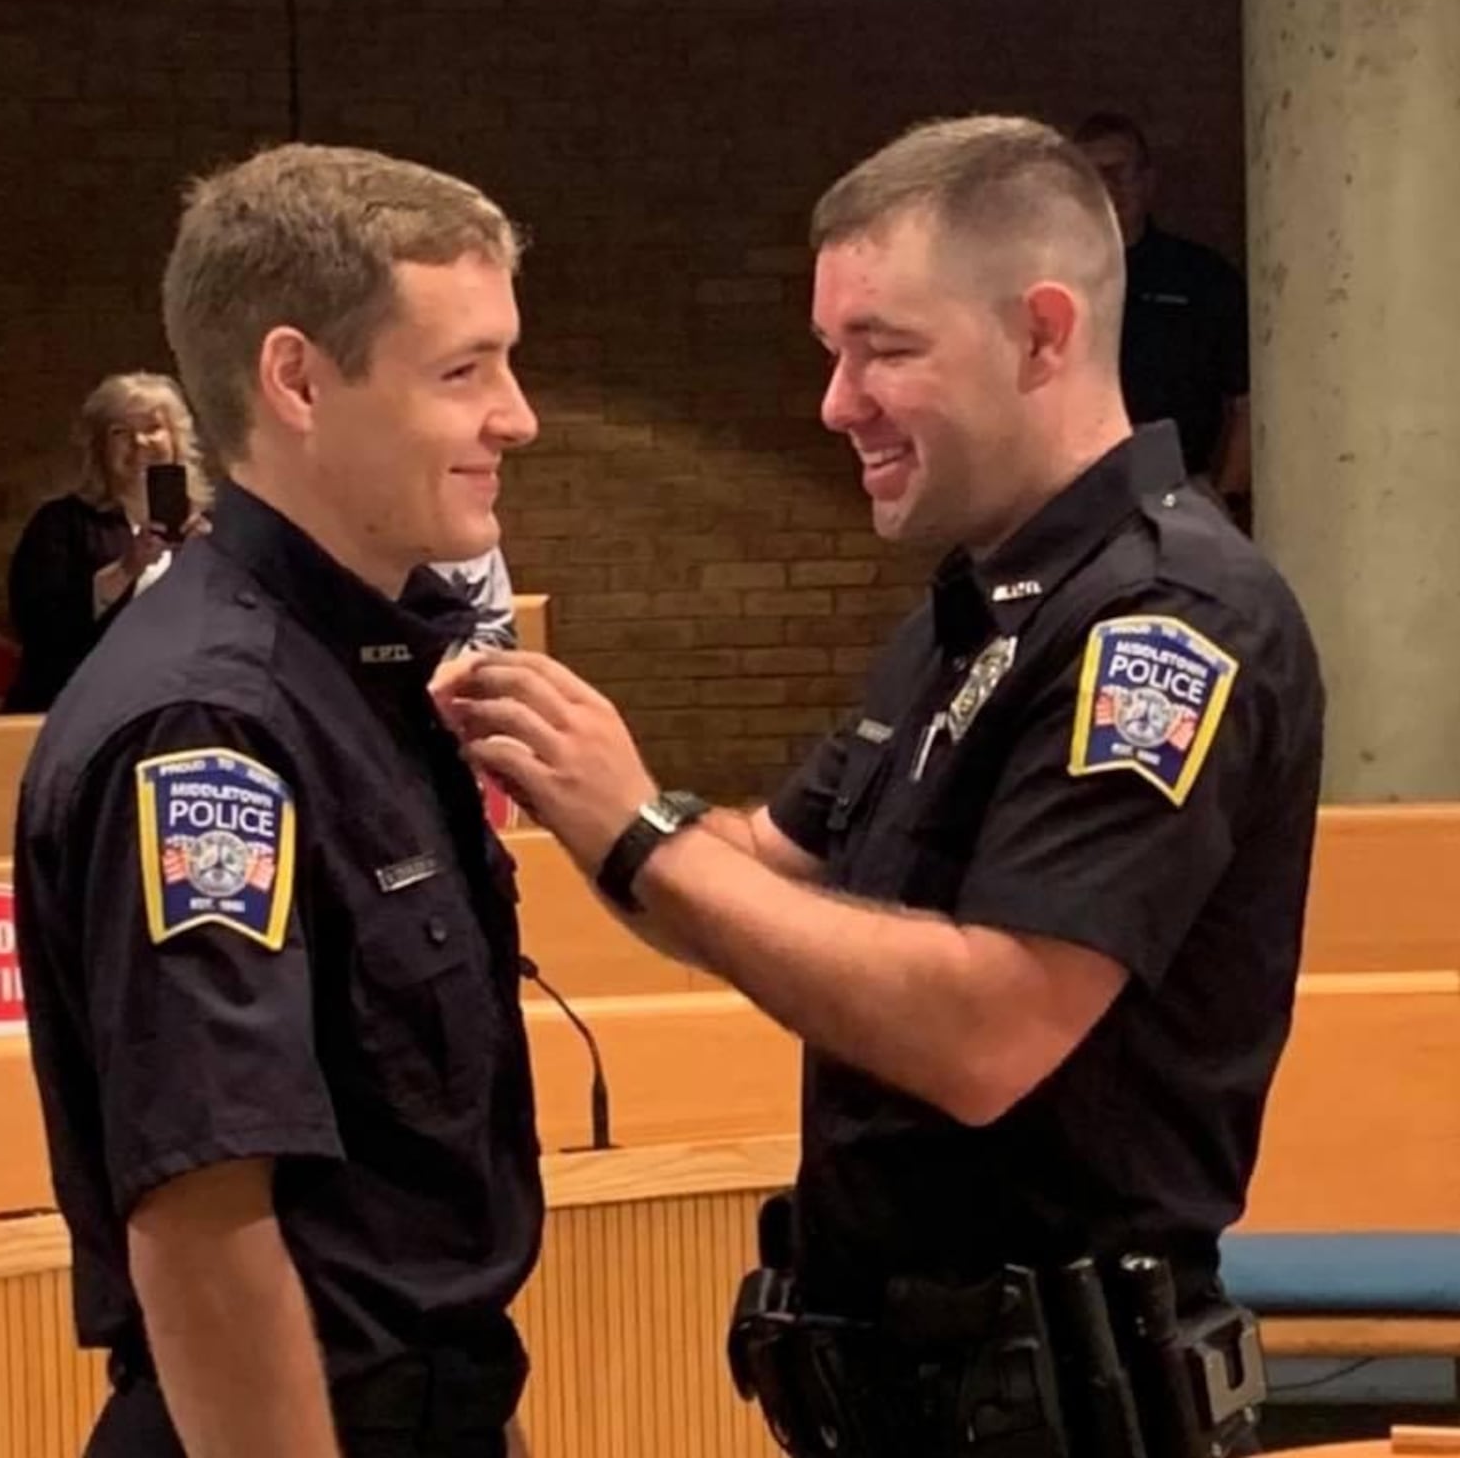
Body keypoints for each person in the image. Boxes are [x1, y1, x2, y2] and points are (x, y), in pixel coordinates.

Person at [449, 117, 1322, 1457]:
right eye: (832, 353)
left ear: (1041, 334)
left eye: (883, 349)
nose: (836, 402)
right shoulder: (979, 609)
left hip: (1062, 1412)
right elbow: (770, 866)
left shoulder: (1166, 625)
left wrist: (632, 828)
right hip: (897, 1401)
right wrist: (567, 783)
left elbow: (992, 1032)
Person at [12, 144, 542, 1458]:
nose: (518, 416)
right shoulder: (210, 725)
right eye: (463, 371)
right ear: (298, 380)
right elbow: (206, 1223)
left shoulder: (360, 670)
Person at [1073, 112, 1252, 520]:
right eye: (1093, 177)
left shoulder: (1201, 277)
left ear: (1148, 181)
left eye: (1120, 172)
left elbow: (1247, 401)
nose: (1110, 188)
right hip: (1075, 497)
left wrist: (1228, 498)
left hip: (1178, 495)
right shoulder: (1046, 282)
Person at [4, 372, 211, 712]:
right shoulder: (60, 524)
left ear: (177, 440)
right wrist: (127, 568)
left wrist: (217, 565)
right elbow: (43, 629)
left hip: (181, 711)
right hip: (81, 712)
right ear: (99, 449)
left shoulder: (216, 527)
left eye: (152, 428)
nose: (140, 443)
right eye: (120, 433)